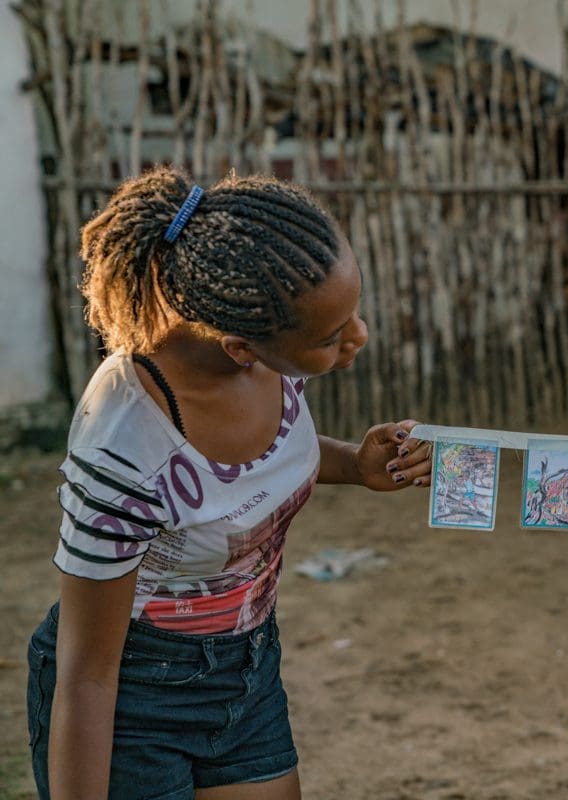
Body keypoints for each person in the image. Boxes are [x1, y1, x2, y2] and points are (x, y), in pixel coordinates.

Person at [25, 167, 434, 800]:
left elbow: (251, 470)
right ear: (242, 348)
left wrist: (355, 464)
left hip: (248, 669)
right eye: (332, 337)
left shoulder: (269, 343)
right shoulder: (125, 451)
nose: (360, 336)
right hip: (131, 697)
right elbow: (87, 677)